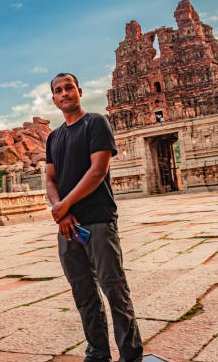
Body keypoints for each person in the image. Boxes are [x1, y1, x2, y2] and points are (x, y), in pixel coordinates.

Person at [45, 73, 143, 362]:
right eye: (58, 90)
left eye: (69, 88)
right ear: (54, 98)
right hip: (68, 227)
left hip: (98, 220)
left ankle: (130, 355)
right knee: (83, 293)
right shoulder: (54, 136)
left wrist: (65, 205)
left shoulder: (96, 123)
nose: (64, 93)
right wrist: (59, 211)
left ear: (79, 91)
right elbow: (50, 178)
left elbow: (98, 171)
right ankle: (98, 353)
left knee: (114, 290)